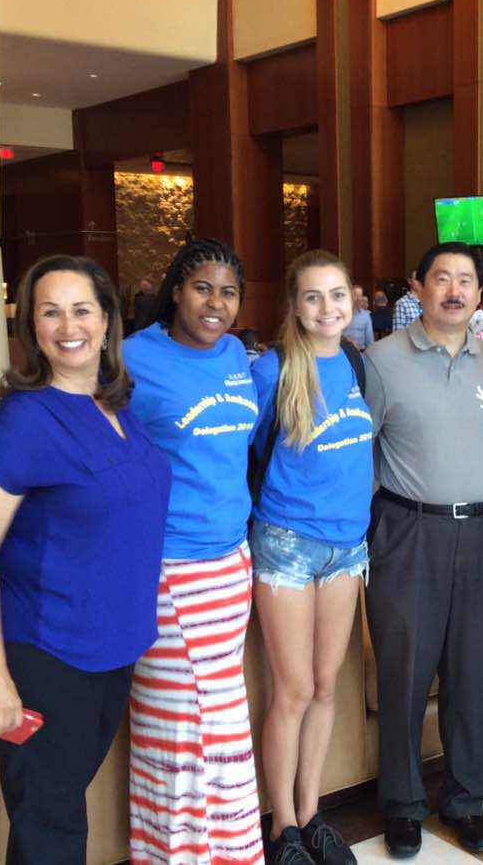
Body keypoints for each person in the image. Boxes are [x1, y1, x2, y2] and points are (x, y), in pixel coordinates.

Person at [0, 254, 172, 864]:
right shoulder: (23, 422)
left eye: (82, 310)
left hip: (113, 648)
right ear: (32, 326)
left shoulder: (115, 406)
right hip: (47, 654)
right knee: (51, 828)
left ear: (107, 320)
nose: (68, 326)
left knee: (58, 807)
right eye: (50, 312)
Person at [123, 239, 265, 865]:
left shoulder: (234, 354)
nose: (216, 304)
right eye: (203, 288)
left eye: (229, 293)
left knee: (221, 726)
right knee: (180, 732)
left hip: (232, 563)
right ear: (176, 289)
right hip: (169, 569)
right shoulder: (133, 358)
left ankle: (227, 852)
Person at [363, 242, 483, 858]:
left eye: (465, 280)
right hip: (408, 531)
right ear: (417, 287)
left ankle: (467, 799)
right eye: (441, 278)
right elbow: (358, 451)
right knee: (405, 671)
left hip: (480, 533)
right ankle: (402, 803)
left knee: (469, 671)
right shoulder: (381, 361)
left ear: (480, 295)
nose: (453, 290)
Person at [250, 250, 372, 865]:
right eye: (313, 297)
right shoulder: (271, 370)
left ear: (353, 300)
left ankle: (311, 811)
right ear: (295, 307)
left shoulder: (357, 362)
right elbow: (239, 452)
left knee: (326, 686)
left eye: (337, 295)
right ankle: (283, 828)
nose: (328, 308)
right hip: (287, 545)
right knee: (294, 689)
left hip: (348, 547)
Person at [343, 283, 375, 350]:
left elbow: (370, 341)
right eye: (355, 295)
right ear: (349, 296)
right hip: (343, 351)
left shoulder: (366, 316)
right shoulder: (341, 314)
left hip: (360, 352)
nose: (358, 298)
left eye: (360, 295)